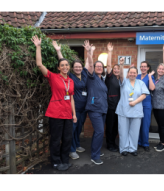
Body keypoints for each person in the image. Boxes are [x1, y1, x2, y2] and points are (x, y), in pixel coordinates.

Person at [31, 35, 77, 171]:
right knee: (56, 139)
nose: (64, 67)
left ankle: (64, 159)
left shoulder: (71, 81)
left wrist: (74, 114)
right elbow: (39, 64)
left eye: (66, 65)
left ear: (69, 67)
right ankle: (56, 161)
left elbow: (72, 98)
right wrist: (38, 47)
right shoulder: (53, 77)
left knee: (67, 139)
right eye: (62, 65)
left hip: (68, 114)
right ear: (58, 68)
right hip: (56, 113)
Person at [53, 41, 88, 160]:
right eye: (76, 67)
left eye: (80, 66)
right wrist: (58, 51)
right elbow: (64, 63)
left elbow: (89, 65)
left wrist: (88, 51)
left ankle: (77, 145)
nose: (78, 68)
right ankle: (72, 150)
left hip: (83, 109)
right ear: (72, 68)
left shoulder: (84, 76)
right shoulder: (71, 76)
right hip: (75, 108)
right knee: (72, 130)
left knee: (79, 129)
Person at [115, 58, 149, 156]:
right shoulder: (124, 81)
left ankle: (133, 149)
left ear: (136, 74)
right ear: (128, 73)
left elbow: (144, 94)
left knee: (134, 131)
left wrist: (135, 102)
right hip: (123, 110)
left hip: (136, 110)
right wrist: (121, 65)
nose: (132, 74)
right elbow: (121, 75)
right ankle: (124, 148)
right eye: (131, 72)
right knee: (123, 130)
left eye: (134, 73)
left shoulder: (141, 83)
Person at [84, 40, 108, 165]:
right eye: (97, 66)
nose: (99, 67)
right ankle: (95, 155)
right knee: (99, 131)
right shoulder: (92, 77)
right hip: (94, 109)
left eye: (101, 66)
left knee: (98, 131)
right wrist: (89, 52)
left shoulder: (102, 79)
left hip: (103, 109)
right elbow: (90, 65)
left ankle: (96, 149)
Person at [104, 42, 120, 152]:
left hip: (119, 106)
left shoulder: (121, 80)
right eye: (115, 69)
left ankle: (113, 142)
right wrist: (110, 52)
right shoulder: (110, 77)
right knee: (110, 126)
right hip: (110, 105)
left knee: (116, 127)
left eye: (118, 69)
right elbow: (108, 66)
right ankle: (109, 144)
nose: (116, 70)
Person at [152, 63, 164, 152]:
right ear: (157, 69)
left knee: (163, 126)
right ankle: (160, 142)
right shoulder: (155, 79)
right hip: (155, 105)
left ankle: (163, 143)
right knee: (159, 125)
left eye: (162, 69)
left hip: (163, 106)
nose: (160, 70)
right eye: (159, 68)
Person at [136, 61, 155, 152]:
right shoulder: (137, 76)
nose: (143, 68)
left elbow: (152, 88)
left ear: (148, 68)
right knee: (137, 124)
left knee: (145, 124)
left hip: (146, 103)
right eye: (141, 66)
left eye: (145, 66)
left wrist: (150, 77)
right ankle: (138, 142)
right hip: (137, 102)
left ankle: (145, 143)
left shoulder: (150, 77)